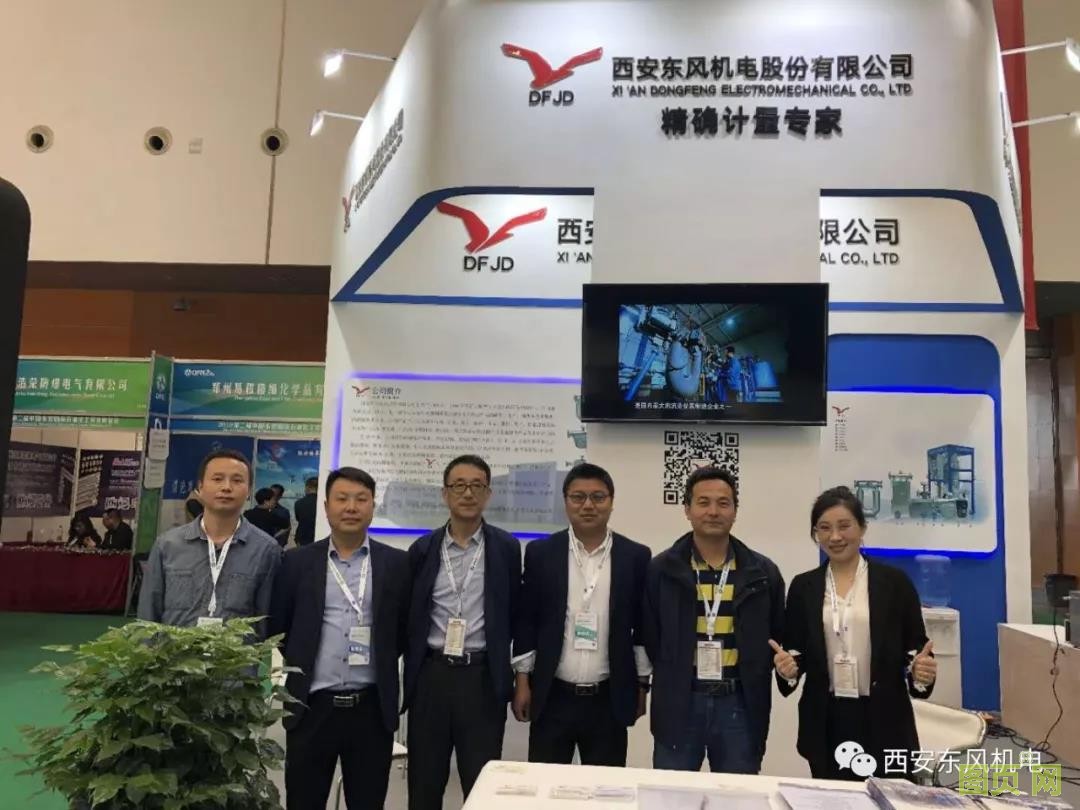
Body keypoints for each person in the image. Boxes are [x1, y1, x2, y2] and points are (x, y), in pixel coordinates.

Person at [771, 486, 937, 780]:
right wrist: (788, 670)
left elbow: (916, 647)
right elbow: (796, 651)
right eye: (824, 528)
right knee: (831, 798)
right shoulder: (804, 587)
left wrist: (921, 672)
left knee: (888, 796)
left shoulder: (894, 583)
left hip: (884, 716)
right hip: (827, 719)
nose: (835, 537)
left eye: (844, 526)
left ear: (862, 528)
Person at [270, 467, 411, 810]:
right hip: (311, 707)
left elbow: (404, 630)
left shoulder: (396, 564)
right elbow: (281, 628)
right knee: (304, 801)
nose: (351, 507)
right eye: (342, 498)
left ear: (373, 506)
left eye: (361, 499)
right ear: (326, 506)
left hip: (371, 710)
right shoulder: (296, 562)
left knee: (367, 802)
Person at [643, 465, 784, 773]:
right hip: (679, 702)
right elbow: (651, 637)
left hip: (739, 706)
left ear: (735, 510)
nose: (713, 511)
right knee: (672, 793)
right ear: (687, 509)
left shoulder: (762, 573)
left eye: (723, 503)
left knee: (737, 794)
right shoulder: (661, 570)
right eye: (703, 502)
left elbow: (776, 637)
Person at [512, 463, 652, 766]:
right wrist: (522, 680)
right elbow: (527, 620)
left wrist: (642, 686)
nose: (588, 505)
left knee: (604, 787)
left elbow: (642, 627)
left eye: (598, 497)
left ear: (611, 502)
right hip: (553, 694)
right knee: (547, 785)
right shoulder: (542, 553)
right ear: (566, 502)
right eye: (578, 497)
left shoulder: (635, 556)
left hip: (608, 698)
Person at [403, 454, 521, 810]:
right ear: (445, 493)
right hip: (432, 677)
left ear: (488, 493)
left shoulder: (506, 548)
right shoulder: (423, 549)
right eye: (459, 486)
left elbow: (515, 612)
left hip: (482, 678)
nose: (468, 493)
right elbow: (410, 616)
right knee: (425, 782)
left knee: (482, 783)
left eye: (476, 486)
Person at [138, 449, 281, 638]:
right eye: (217, 479)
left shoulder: (266, 550)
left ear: (248, 491)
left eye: (237, 480)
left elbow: (265, 621)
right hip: (174, 655)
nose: (226, 487)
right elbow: (148, 615)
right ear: (200, 487)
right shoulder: (168, 545)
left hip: (236, 656)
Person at [293, 477, 318, 547]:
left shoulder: (298, 503)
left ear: (307, 487)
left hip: (302, 538)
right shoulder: (324, 503)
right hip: (318, 537)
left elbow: (298, 519)